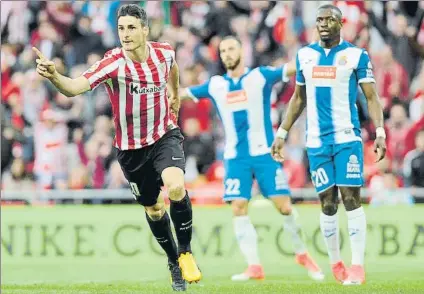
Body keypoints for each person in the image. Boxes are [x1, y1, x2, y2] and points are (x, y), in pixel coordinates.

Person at [33, 4, 201, 291]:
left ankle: (185, 252)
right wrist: (54, 77)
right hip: (131, 149)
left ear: (145, 30)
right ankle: (173, 261)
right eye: (121, 28)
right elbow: (74, 87)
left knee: (175, 187)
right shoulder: (113, 63)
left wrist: (174, 94)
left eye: (132, 28)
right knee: (155, 209)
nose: (125, 34)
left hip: (163, 135)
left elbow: (172, 70)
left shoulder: (164, 52)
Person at [180, 36, 324, 282]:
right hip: (236, 158)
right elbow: (182, 94)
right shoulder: (215, 85)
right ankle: (254, 266)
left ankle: (301, 253)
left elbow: (291, 67)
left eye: (231, 49)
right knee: (238, 207)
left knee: (285, 207)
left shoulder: (260, 76)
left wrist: (314, 50)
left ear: (241, 51)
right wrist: (158, 91)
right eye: (222, 50)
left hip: (264, 154)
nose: (226, 53)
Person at [271, 4, 387, 286]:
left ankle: (357, 267)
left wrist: (381, 132)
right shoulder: (305, 56)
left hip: (347, 138)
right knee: (327, 203)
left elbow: (371, 97)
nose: (322, 24)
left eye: (328, 19)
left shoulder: (355, 55)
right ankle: (336, 261)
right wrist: (282, 134)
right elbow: (298, 98)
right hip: (316, 142)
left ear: (340, 23)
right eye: (319, 19)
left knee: (350, 198)